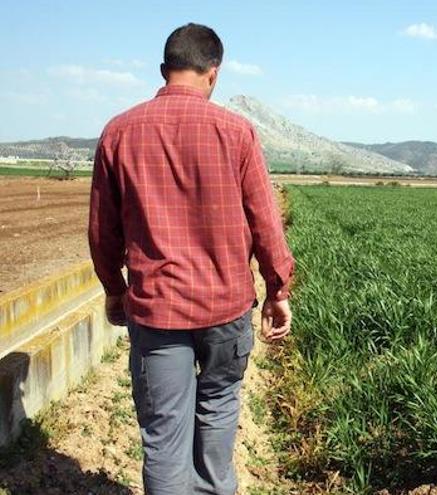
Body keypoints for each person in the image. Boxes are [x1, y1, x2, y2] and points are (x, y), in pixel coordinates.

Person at [88, 23, 295, 495]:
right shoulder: (237, 132)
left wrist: (115, 292)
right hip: (225, 309)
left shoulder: (118, 132)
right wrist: (277, 290)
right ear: (214, 74)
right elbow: (266, 223)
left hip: (157, 312)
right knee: (219, 411)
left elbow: (102, 232)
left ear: (164, 71)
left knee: (163, 435)